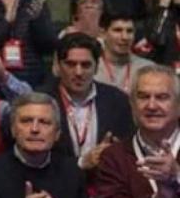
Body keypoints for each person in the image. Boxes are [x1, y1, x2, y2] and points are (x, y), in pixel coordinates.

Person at [0, 93, 101, 198]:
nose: (34, 129)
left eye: (44, 122)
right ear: (13, 130)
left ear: (57, 133)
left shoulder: (72, 171)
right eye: (26, 121)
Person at [93, 64, 180, 198]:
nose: (151, 105)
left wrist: (177, 176)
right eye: (143, 97)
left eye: (162, 97)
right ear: (132, 105)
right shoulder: (113, 156)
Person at [39, 33, 134, 172]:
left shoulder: (117, 100)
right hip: (55, 184)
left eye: (86, 65)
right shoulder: (42, 101)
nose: (78, 72)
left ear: (96, 67)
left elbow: (128, 148)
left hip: (105, 183)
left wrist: (114, 152)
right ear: (58, 66)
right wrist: (82, 162)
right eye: (70, 64)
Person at [95, 12, 156, 94]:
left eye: (129, 31)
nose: (125, 37)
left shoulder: (148, 69)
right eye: (117, 30)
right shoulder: (92, 68)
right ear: (103, 34)